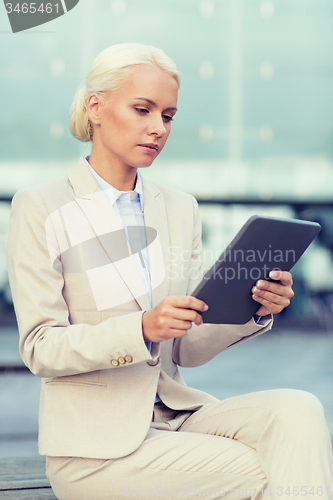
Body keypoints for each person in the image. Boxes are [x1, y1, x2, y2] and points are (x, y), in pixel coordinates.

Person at [7, 43, 333, 500]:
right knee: (278, 469)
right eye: (143, 109)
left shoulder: (180, 208)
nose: (158, 128)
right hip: (95, 451)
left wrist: (252, 309)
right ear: (95, 107)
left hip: (178, 417)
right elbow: (41, 347)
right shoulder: (41, 206)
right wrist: (140, 328)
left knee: (298, 410)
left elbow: (186, 350)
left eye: (168, 115)